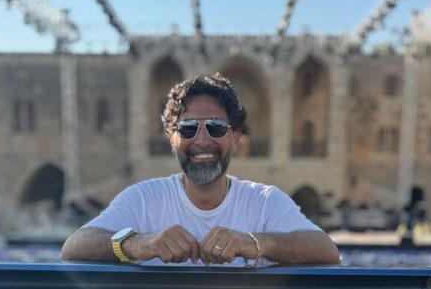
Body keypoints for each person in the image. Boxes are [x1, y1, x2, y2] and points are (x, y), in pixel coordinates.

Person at [60, 73, 339, 266]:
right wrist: (137, 244)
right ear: (172, 139)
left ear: (236, 137)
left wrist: (254, 243)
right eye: (188, 128)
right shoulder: (143, 199)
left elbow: (326, 250)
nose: (202, 140)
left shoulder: (264, 201)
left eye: (216, 127)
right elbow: (74, 246)